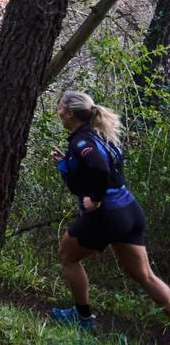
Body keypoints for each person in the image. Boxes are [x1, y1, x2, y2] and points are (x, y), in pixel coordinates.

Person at [50, 89, 170, 331]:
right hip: (129, 211)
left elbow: (100, 169)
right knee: (145, 275)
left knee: (67, 255)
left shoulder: (82, 140)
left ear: (70, 113)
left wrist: (95, 199)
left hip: (108, 215)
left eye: (60, 109)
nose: (59, 113)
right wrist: (65, 164)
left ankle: (82, 319)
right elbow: (87, 175)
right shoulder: (99, 135)